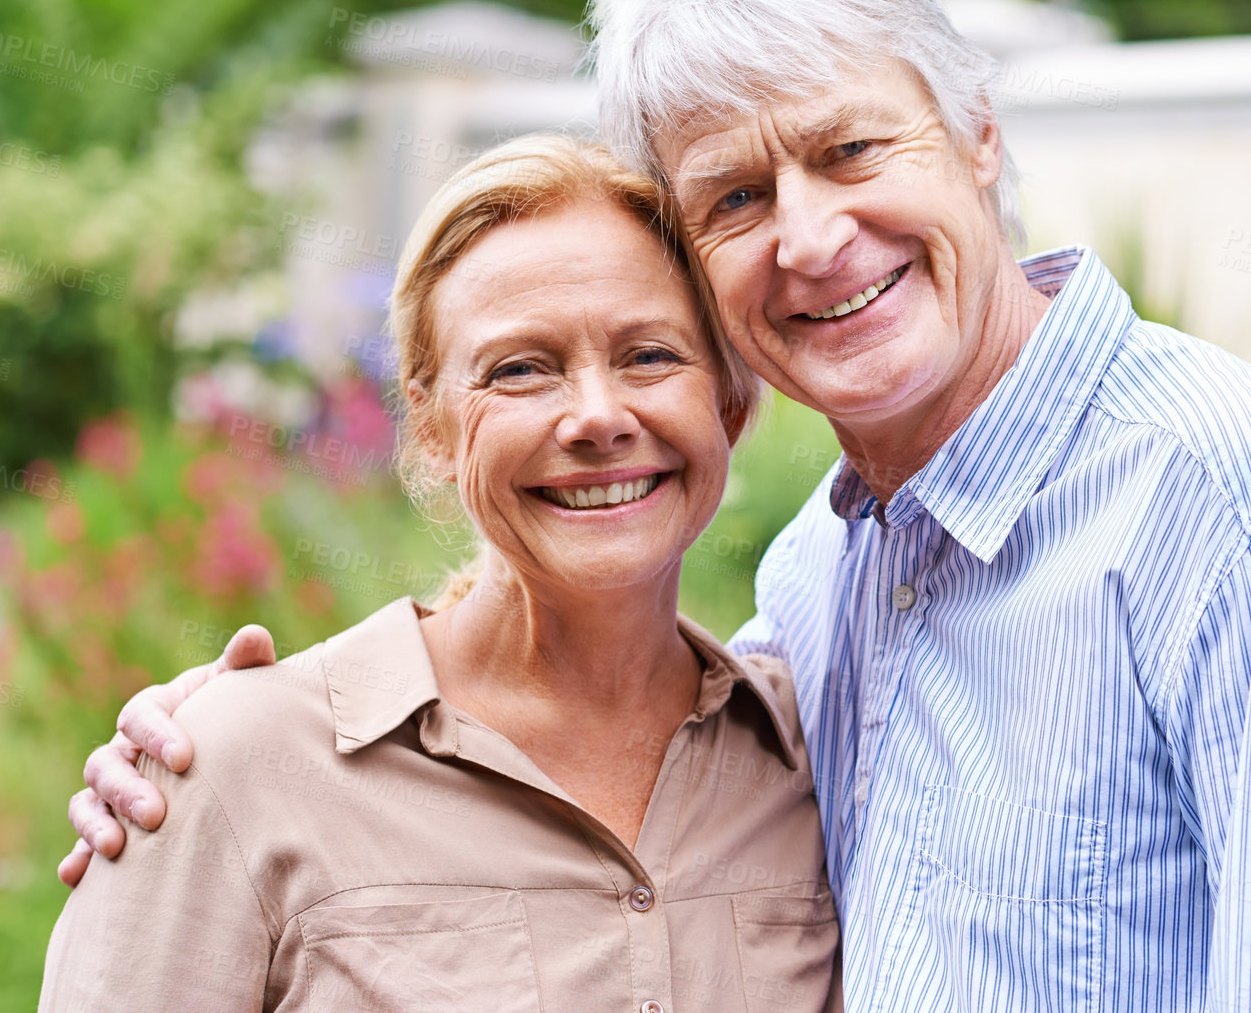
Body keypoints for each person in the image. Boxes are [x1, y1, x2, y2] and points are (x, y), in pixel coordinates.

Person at [65, 0, 1251, 1010]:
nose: (812, 235)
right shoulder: (824, 589)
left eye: (851, 150)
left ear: (973, 132)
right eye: (732, 196)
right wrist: (208, 757)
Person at [42, 135, 843, 1013]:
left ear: (729, 400)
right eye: (519, 369)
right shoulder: (233, 766)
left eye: (649, 355)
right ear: (430, 428)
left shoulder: (821, 756)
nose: (597, 416)